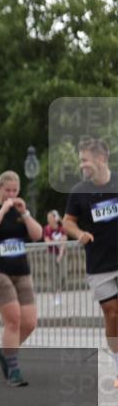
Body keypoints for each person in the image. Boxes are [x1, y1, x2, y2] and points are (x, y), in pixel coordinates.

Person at [0, 171, 43, 387]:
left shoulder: (19, 211)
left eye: (15, 191)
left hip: (21, 270)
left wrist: (24, 214)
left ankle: (5, 353)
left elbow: (37, 234)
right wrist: (3, 208)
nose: (12, 194)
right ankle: (13, 370)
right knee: (13, 319)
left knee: (30, 322)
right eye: (8, 190)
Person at [62, 139, 118, 389]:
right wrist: (79, 234)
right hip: (99, 262)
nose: (81, 164)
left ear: (101, 158)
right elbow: (67, 222)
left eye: (85, 159)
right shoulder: (79, 191)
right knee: (112, 313)